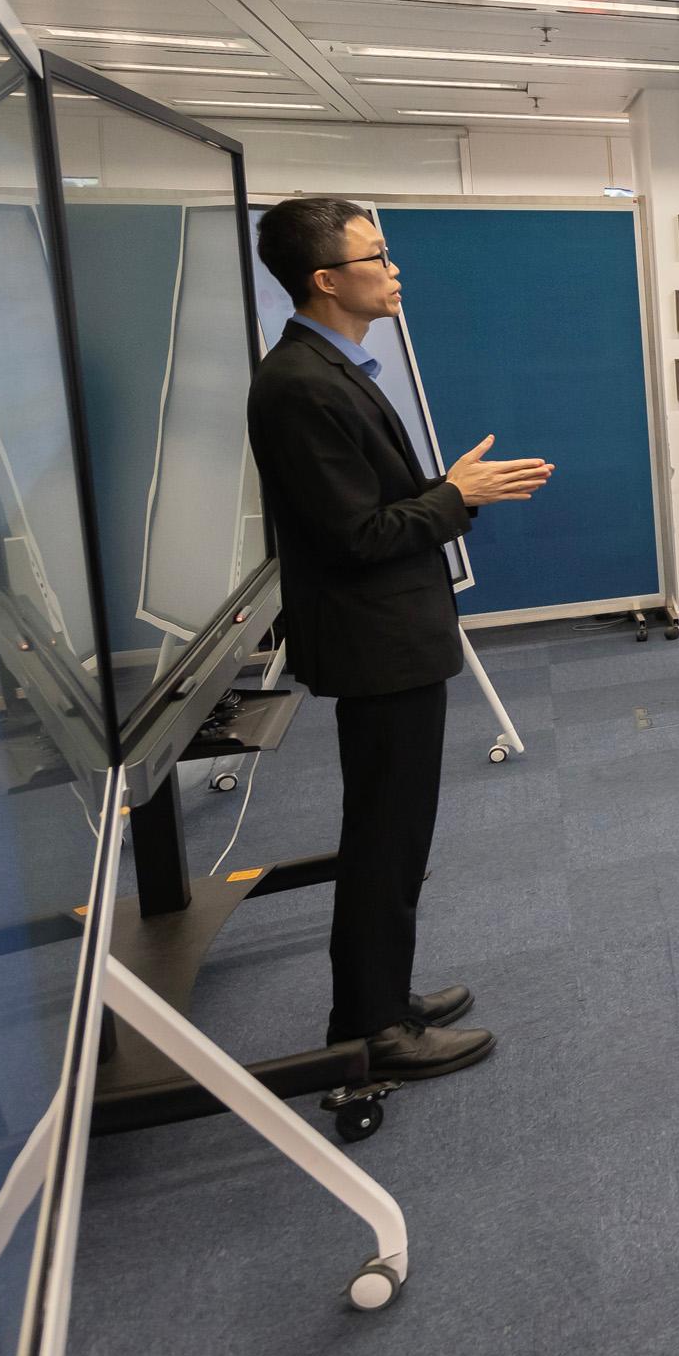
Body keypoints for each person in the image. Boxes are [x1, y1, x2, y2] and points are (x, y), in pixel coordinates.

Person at [246, 198, 551, 1080]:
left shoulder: (335, 368)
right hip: (376, 644)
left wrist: (447, 487)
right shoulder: (300, 384)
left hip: (393, 638)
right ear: (326, 280)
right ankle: (376, 1028)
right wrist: (457, 498)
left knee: (394, 836)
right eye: (376, 256)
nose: (394, 270)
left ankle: (380, 996)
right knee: (385, 838)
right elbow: (357, 537)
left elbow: (372, 504)